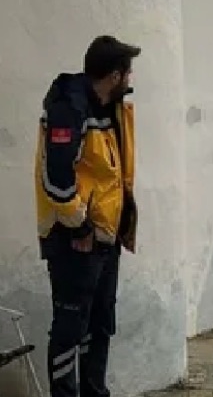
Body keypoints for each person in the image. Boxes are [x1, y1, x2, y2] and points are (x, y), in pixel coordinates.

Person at [35, 36, 142, 397]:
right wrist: (79, 226)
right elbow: (55, 177)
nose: (130, 79)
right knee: (70, 328)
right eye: (127, 72)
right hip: (74, 240)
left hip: (105, 238)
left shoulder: (110, 108)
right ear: (114, 75)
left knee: (99, 325)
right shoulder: (70, 108)